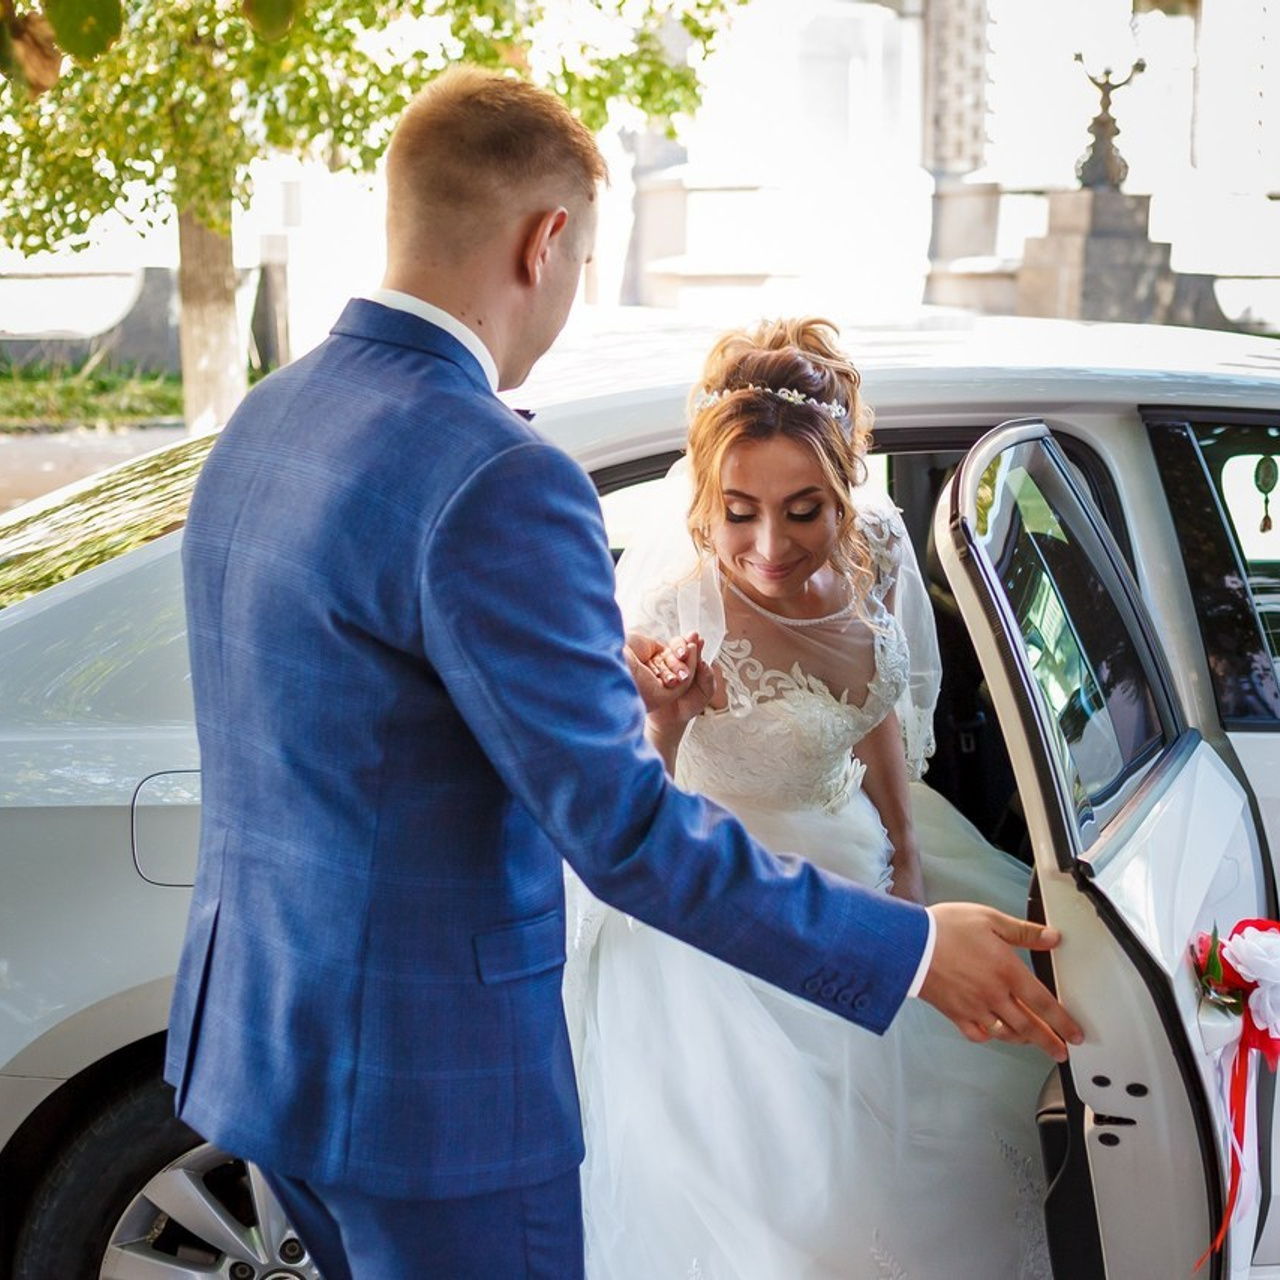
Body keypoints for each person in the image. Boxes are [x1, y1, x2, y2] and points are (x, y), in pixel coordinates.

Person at [165, 67, 1080, 1280]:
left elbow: (375, 706)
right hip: (437, 1095)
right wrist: (907, 950)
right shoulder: (498, 472)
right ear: (546, 241)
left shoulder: (266, 416)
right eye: (586, 262)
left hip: (266, 1050)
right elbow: (624, 831)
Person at [568, 317, 1058, 1278]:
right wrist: (665, 720)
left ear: (844, 493)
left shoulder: (876, 545)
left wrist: (908, 854)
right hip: (720, 915)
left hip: (859, 853)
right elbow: (623, 826)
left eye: (803, 511)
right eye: (738, 508)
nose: (766, 546)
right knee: (804, 1217)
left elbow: (871, 702)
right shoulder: (674, 598)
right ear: (705, 496)